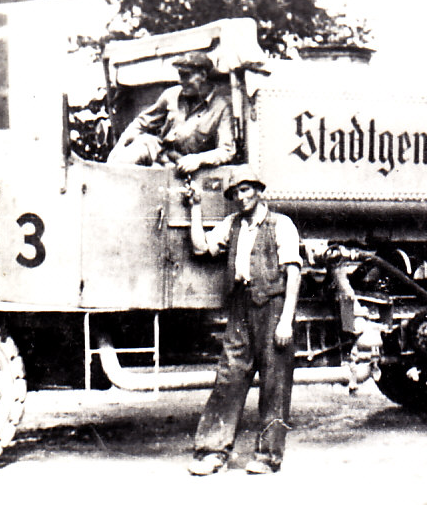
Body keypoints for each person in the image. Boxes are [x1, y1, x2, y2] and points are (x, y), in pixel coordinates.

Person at [184, 166, 302, 475]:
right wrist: (195, 208)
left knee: (275, 383)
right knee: (229, 378)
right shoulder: (231, 225)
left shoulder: (281, 224)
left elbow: (293, 272)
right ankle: (213, 452)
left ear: (259, 190)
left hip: (274, 307)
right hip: (240, 307)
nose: (241, 196)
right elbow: (200, 247)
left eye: (246, 189)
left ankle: (267, 456)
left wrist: (286, 320)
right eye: (236, 192)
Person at [107, 51, 236, 176]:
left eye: (186, 75)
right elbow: (141, 122)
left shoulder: (221, 107)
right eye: (180, 75)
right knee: (128, 156)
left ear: (202, 75)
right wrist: (119, 147)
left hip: (185, 168)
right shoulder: (171, 95)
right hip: (160, 153)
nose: (180, 81)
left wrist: (198, 160)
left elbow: (227, 150)